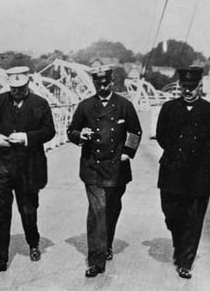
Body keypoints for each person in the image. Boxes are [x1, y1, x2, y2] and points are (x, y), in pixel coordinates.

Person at [67, 65, 142, 278]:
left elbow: (135, 131)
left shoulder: (124, 105)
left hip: (117, 167)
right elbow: (71, 131)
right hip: (92, 165)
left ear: (112, 82)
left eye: (105, 83)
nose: (102, 86)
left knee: (112, 208)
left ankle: (107, 243)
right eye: (98, 83)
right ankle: (96, 261)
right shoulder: (85, 106)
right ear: (94, 84)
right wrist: (80, 135)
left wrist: (127, 152)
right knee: (97, 210)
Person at [0, 66, 56, 275]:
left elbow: (49, 131)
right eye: (13, 88)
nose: (16, 92)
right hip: (1, 166)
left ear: (28, 83)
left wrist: (26, 137)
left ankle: (33, 243)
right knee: (1, 212)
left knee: (28, 209)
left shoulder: (40, 104)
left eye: (20, 88)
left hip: (28, 168)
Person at [155, 67, 210, 279]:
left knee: (194, 220)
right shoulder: (169, 108)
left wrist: (198, 155)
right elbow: (161, 136)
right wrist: (177, 154)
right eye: (184, 87)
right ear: (180, 86)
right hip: (172, 170)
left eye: (192, 88)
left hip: (199, 172)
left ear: (200, 87)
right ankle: (178, 239)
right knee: (172, 213)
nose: (188, 91)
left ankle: (185, 262)